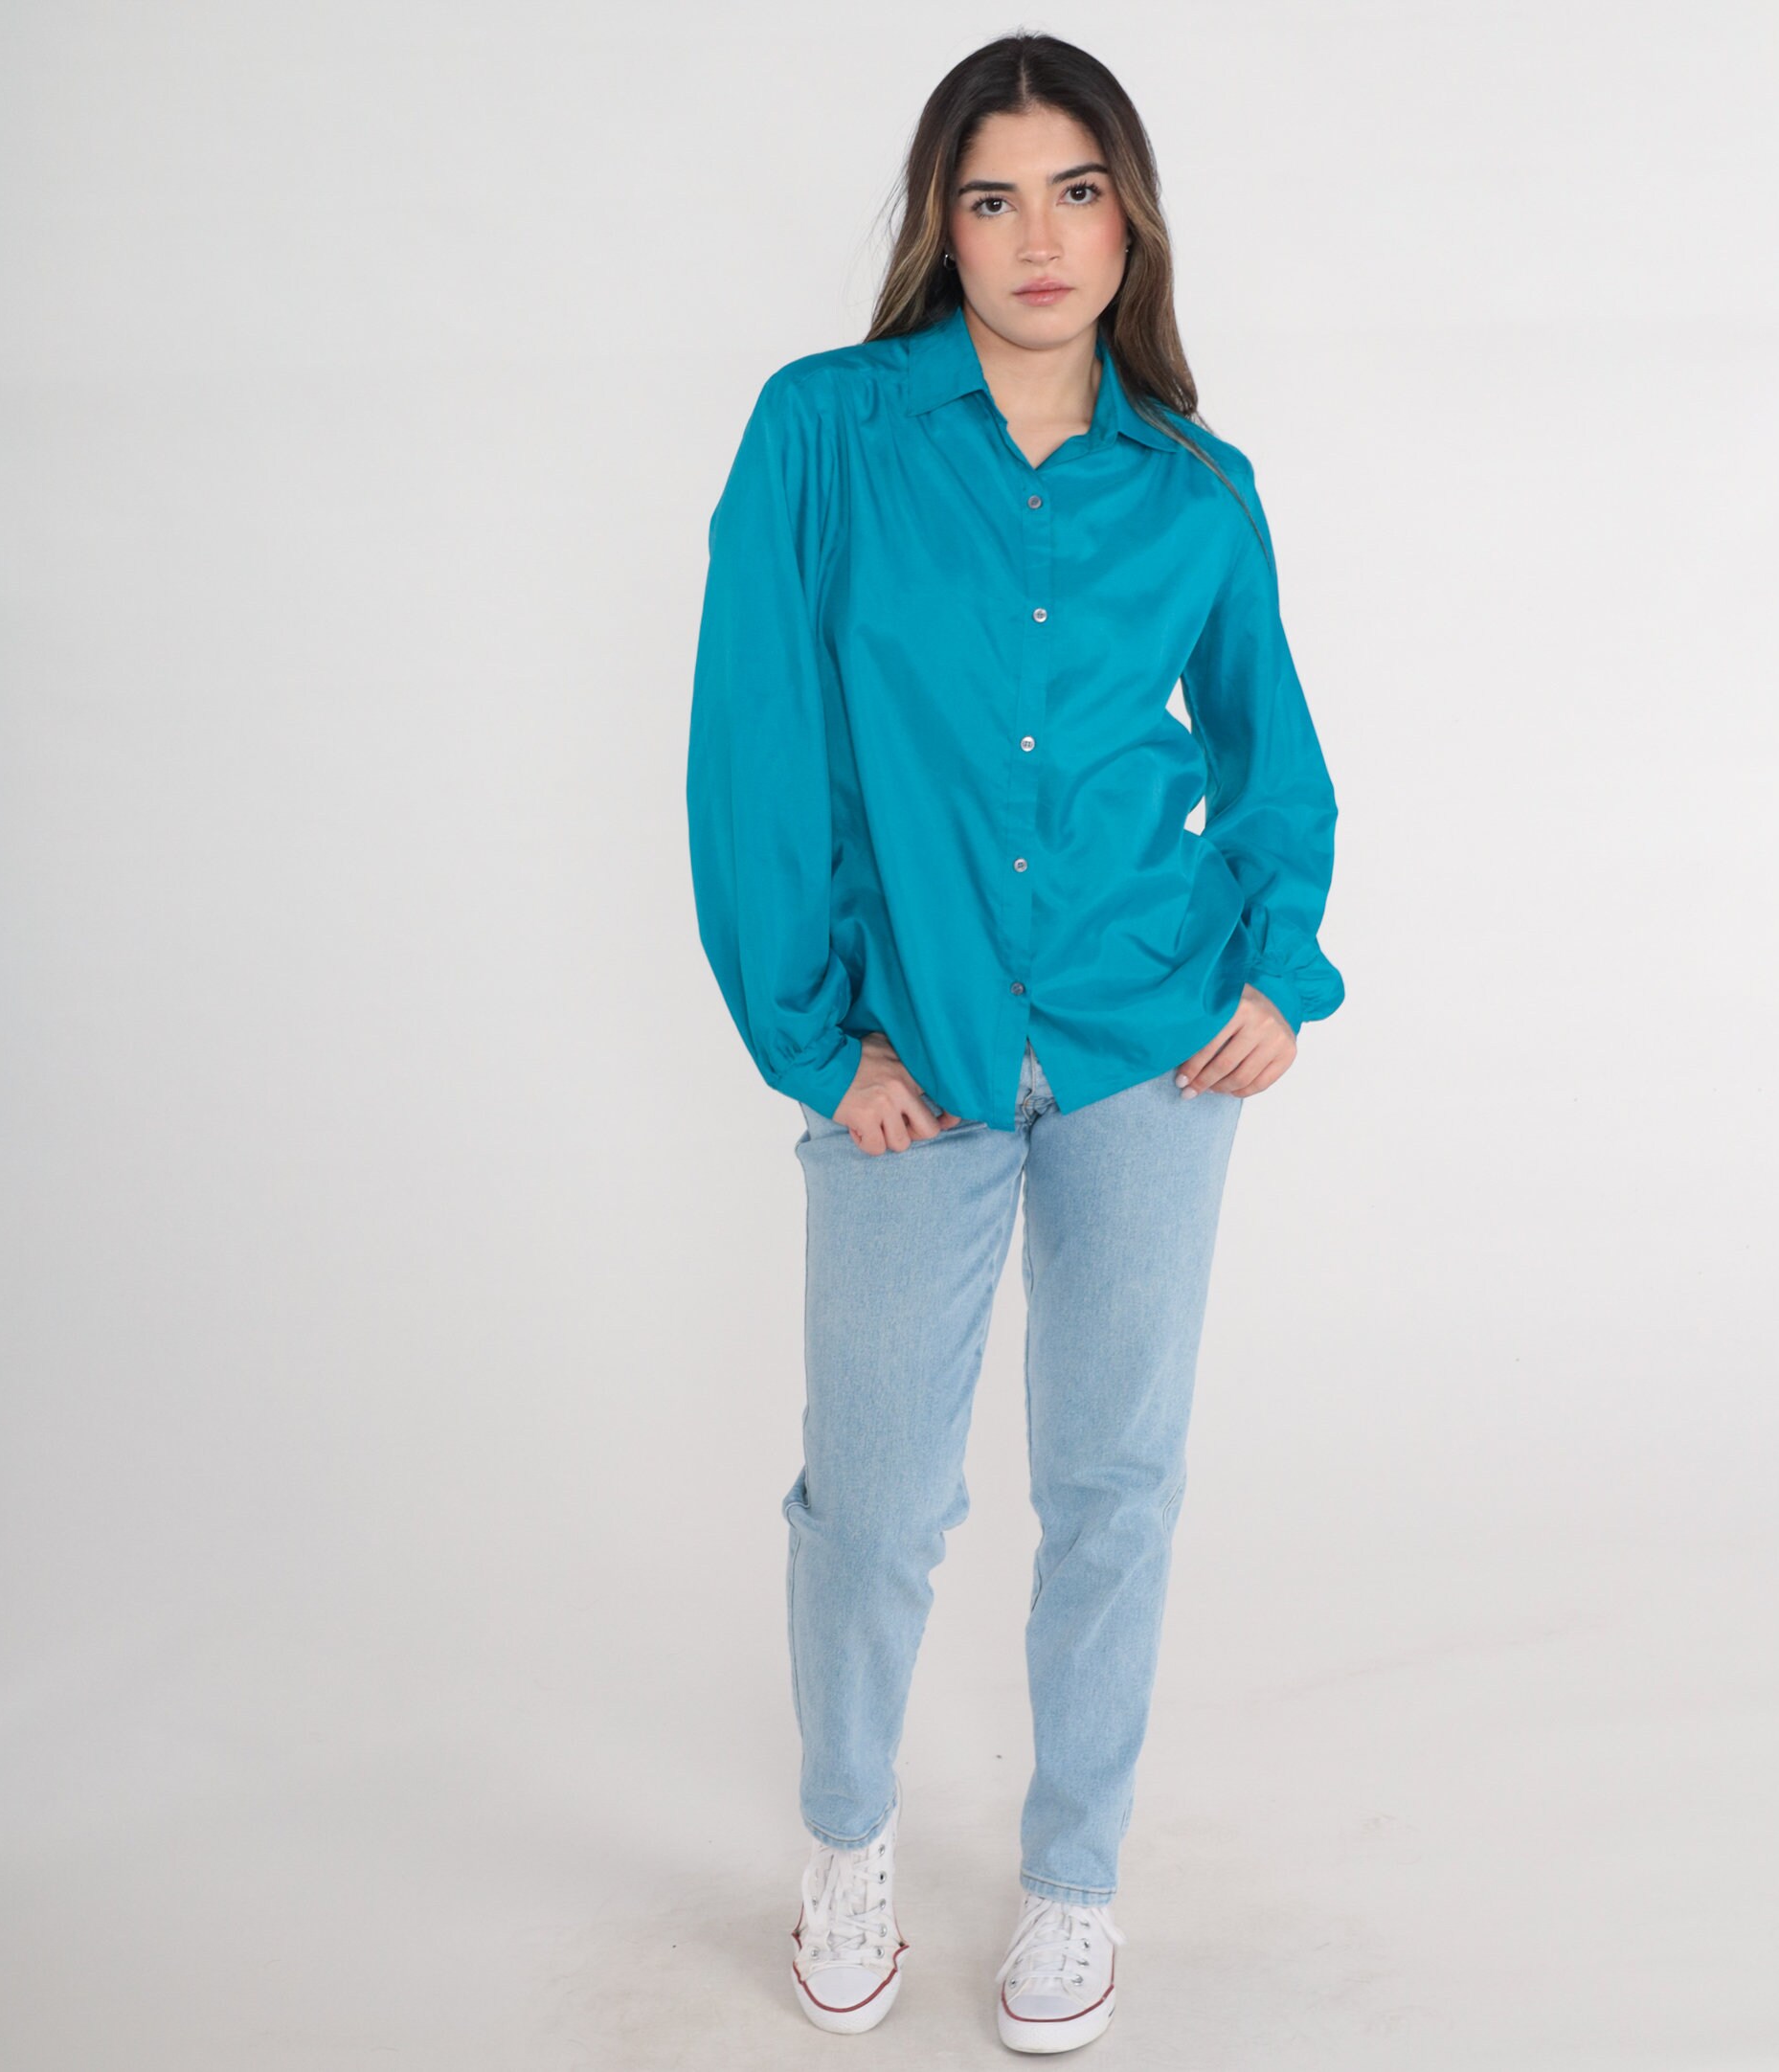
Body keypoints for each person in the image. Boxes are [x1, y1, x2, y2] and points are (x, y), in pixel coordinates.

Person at [686, 31, 1344, 2055]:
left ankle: (1074, 1880)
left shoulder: (1198, 486)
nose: (1037, 236)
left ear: (1128, 219)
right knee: (876, 1504)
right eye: (992, 197)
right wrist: (817, 1042)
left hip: (1151, 1045)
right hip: (917, 1053)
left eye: (1076, 191)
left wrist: (1278, 967)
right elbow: (754, 745)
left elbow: (1270, 753)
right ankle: (848, 1839)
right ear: (939, 224)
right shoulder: (826, 432)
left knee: (1115, 1485)